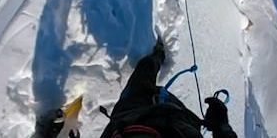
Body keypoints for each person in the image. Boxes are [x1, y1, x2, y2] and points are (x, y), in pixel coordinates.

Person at [99, 37, 237, 138]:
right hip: (178, 121)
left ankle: (158, 54)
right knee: (144, 78)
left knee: (143, 77)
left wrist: (221, 127)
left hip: (131, 115)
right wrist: (222, 127)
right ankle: (158, 54)